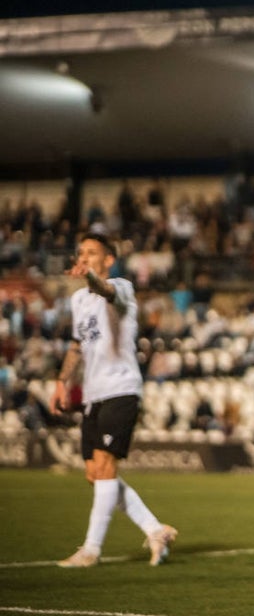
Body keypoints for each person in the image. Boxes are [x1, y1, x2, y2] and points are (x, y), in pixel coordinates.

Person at [51, 232, 177, 567]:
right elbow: (78, 346)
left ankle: (91, 549)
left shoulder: (121, 288)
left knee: (106, 467)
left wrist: (90, 276)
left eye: (92, 253)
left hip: (121, 389)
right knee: (96, 473)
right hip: (93, 395)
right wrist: (62, 382)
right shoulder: (78, 302)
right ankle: (155, 529)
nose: (85, 257)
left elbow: (103, 289)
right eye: (81, 253)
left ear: (109, 260)